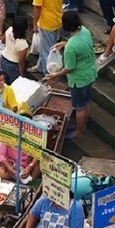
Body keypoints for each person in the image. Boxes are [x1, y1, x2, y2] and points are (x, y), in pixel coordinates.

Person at [46, 11, 97, 139]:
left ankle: (79, 130)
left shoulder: (71, 47)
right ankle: (83, 125)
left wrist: (55, 75)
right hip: (90, 72)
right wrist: (64, 44)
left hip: (79, 79)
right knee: (86, 101)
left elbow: (69, 68)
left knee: (79, 107)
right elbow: (78, 44)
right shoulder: (85, 31)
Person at [31, 0, 75, 75]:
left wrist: (35, 23)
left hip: (46, 23)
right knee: (46, 47)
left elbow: (37, 8)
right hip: (58, 20)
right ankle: (40, 66)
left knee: (47, 51)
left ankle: (48, 75)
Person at [0, 106, 39, 182]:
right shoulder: (8, 134)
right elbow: (0, 154)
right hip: (11, 166)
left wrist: (30, 166)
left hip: (27, 167)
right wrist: (9, 168)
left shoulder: (33, 137)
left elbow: (37, 154)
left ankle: (29, 181)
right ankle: (17, 179)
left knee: (38, 167)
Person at [0, 16, 29, 84]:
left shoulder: (9, 29)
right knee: (15, 84)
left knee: (5, 82)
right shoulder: (23, 44)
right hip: (13, 65)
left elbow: (3, 41)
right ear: (25, 29)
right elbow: (21, 63)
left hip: (3, 60)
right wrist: (21, 76)